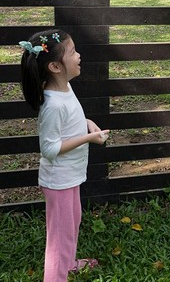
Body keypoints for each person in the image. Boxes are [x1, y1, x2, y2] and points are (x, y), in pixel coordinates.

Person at [19, 29, 110, 281]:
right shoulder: (52, 104)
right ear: (55, 66)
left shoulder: (65, 88)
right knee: (58, 238)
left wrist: (88, 123)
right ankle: (56, 275)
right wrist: (89, 138)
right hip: (58, 181)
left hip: (71, 176)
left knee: (72, 224)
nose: (79, 56)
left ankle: (69, 264)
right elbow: (49, 149)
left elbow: (73, 121)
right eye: (72, 52)